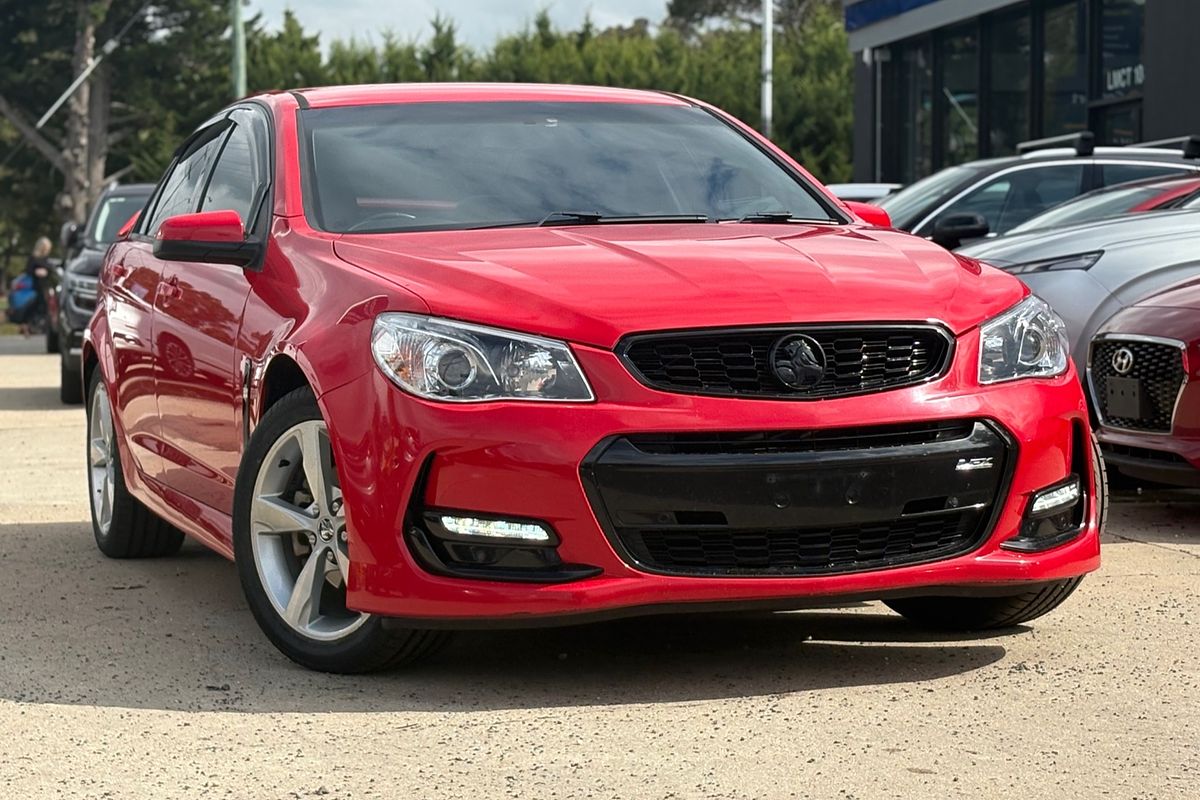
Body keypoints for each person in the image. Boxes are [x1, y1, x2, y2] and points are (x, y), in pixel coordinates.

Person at [19, 237, 52, 336]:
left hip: (45, 285)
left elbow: (50, 269)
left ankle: (36, 326)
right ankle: (26, 324)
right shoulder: (33, 258)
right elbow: (28, 270)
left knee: (43, 306)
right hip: (37, 285)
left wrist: (47, 272)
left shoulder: (46, 259)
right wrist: (36, 272)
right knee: (36, 305)